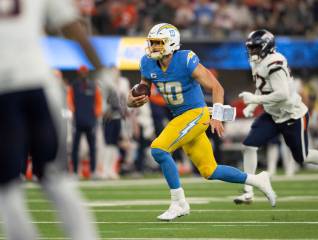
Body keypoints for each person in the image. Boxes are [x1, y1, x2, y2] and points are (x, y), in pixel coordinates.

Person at [127, 23, 276, 221]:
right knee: (210, 170)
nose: (153, 47)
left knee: (159, 149)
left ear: (171, 44)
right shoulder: (147, 63)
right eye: (152, 43)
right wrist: (132, 100)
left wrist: (216, 116)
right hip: (181, 118)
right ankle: (257, 180)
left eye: (158, 43)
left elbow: (217, 87)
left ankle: (179, 203)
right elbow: (143, 88)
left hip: (197, 113)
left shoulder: (185, 59)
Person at [0, 0, 114, 239]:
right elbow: (72, 26)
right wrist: (101, 71)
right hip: (36, 83)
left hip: (5, 92)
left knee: (7, 183)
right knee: (53, 174)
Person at [236, 29, 318, 204]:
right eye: (250, 48)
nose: (251, 51)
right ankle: (248, 191)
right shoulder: (257, 62)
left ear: (266, 47)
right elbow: (262, 86)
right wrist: (253, 105)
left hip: (292, 114)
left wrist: (256, 99)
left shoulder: (274, 63)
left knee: (302, 157)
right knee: (249, 145)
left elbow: (283, 95)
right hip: (272, 114)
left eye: (255, 48)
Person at [68, 65, 103, 178]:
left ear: (87, 72)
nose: (83, 73)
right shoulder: (74, 86)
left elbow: (98, 102)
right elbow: (69, 100)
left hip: (90, 121)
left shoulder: (93, 86)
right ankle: (74, 173)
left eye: (84, 71)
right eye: (81, 71)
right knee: (75, 148)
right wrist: (73, 112)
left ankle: (93, 172)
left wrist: (96, 114)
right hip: (77, 120)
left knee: (92, 148)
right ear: (79, 72)